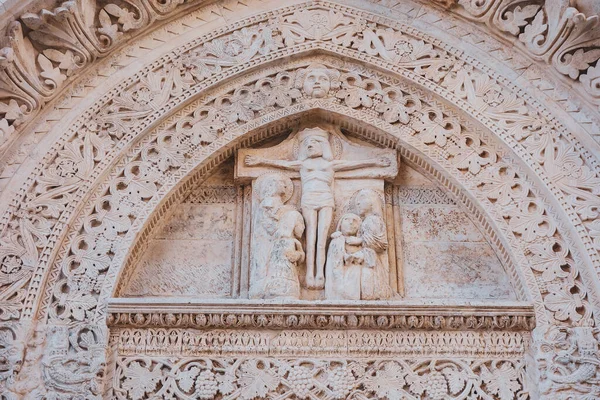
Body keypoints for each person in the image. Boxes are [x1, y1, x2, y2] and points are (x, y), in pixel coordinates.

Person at [245, 127, 391, 289]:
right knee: (311, 237)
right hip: (308, 200)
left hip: (326, 200)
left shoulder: (330, 165)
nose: (310, 145)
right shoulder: (303, 164)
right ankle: (308, 275)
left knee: (322, 240)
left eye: (315, 142)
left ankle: (320, 275)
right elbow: (282, 165)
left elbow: (353, 165)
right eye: (307, 143)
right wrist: (259, 161)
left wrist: (376, 162)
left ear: (324, 146)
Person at [262, 210, 305, 299]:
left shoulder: (279, 241)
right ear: (293, 224)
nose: (303, 228)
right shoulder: (287, 241)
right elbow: (292, 257)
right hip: (284, 278)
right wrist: (300, 252)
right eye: (301, 224)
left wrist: (300, 252)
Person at [325, 213, 364, 300]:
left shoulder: (360, 243)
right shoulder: (338, 240)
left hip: (355, 279)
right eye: (347, 219)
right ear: (340, 224)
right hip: (340, 282)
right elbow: (335, 265)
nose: (351, 223)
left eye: (355, 221)